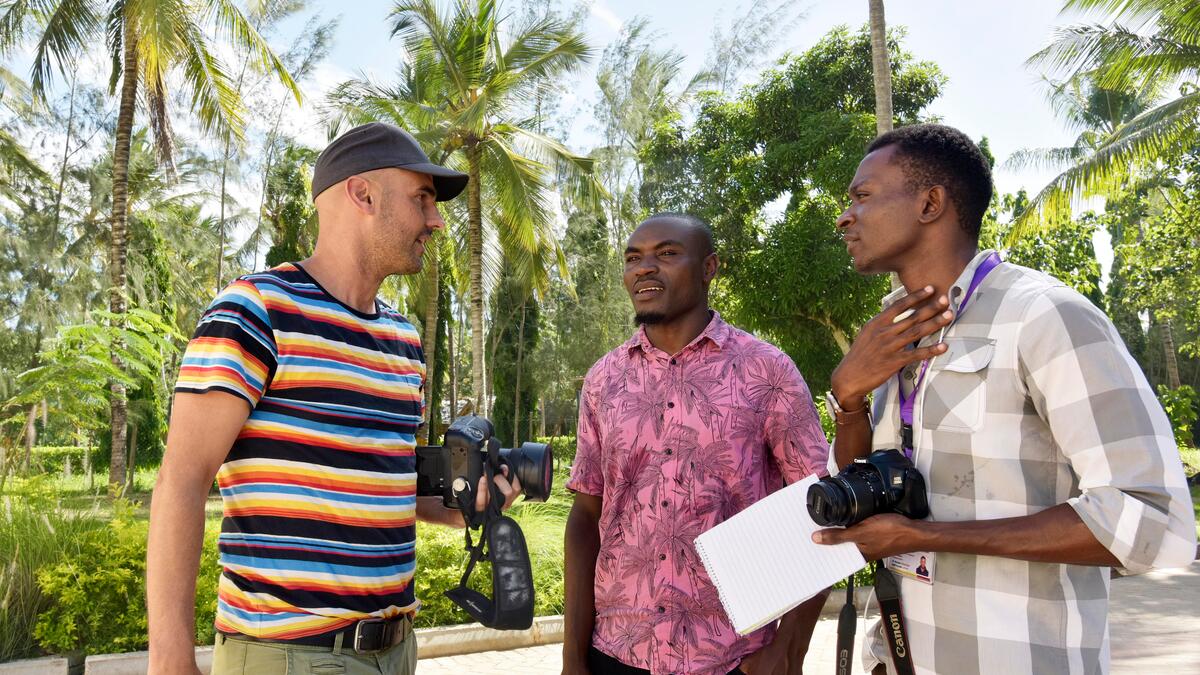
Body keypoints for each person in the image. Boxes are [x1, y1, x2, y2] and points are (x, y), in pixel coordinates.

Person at [814, 123, 1197, 674]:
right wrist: (848, 395)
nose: (844, 216)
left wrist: (927, 537)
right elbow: (862, 492)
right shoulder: (892, 337)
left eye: (863, 196)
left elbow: (1149, 517)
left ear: (930, 203)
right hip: (900, 656)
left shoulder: (1044, 315)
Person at [146, 122, 522, 675]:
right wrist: (170, 662)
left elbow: (385, 487)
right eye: (422, 198)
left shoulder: (403, 340)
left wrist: (467, 505)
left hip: (396, 652)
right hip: (288, 657)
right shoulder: (255, 312)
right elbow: (181, 479)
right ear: (362, 194)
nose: (435, 220)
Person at [563, 213, 831, 675]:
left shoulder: (766, 371)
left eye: (666, 253)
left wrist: (788, 650)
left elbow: (825, 510)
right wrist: (573, 659)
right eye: (633, 258)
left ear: (709, 268)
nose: (644, 267)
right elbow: (586, 517)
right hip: (619, 652)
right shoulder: (604, 380)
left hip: (735, 657)